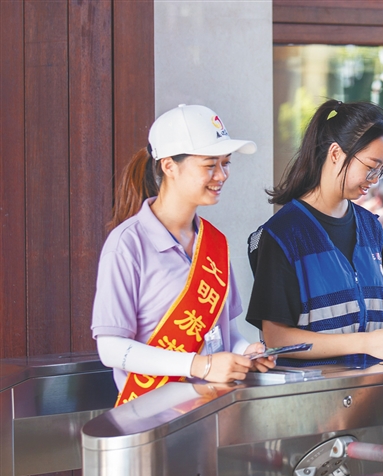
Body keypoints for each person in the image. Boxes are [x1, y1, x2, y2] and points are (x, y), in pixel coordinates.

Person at [246, 100, 383, 363]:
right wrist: (365, 343)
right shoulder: (282, 234)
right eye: (371, 166)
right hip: (315, 387)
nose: (375, 179)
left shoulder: (372, 228)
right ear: (336, 153)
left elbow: (377, 323)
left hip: (374, 386)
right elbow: (276, 338)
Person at [91, 104, 276, 406]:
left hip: (210, 411)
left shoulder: (214, 242)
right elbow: (111, 348)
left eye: (226, 163)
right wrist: (198, 366)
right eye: (209, 165)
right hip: (151, 417)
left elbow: (224, 333)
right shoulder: (127, 244)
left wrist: (245, 352)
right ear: (169, 166)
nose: (221, 175)